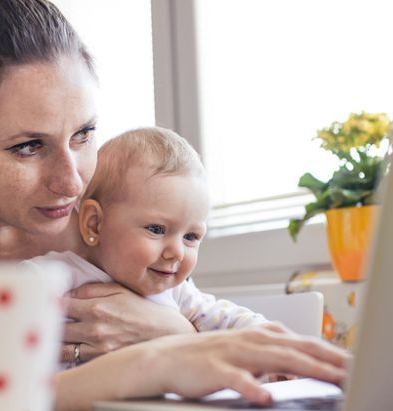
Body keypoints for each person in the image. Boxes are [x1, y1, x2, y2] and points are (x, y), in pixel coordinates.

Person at [0, 0, 350, 411]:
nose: (71, 179)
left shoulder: (112, 204)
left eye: (84, 133)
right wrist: (153, 361)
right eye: (28, 146)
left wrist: (174, 336)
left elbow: (195, 311)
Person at [25, 127, 288, 368]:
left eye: (192, 236)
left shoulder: (179, 294)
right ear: (95, 224)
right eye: (157, 229)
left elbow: (229, 321)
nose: (177, 252)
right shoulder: (56, 276)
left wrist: (274, 347)